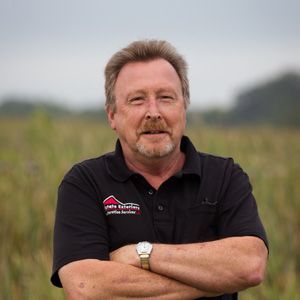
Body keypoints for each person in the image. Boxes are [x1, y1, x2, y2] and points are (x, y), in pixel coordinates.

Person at [51, 40, 268, 299]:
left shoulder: (225, 177)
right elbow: (85, 288)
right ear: (112, 115)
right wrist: (214, 280)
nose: (153, 113)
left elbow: (249, 265)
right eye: (137, 99)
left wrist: (141, 253)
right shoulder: (85, 183)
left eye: (165, 98)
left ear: (183, 107)